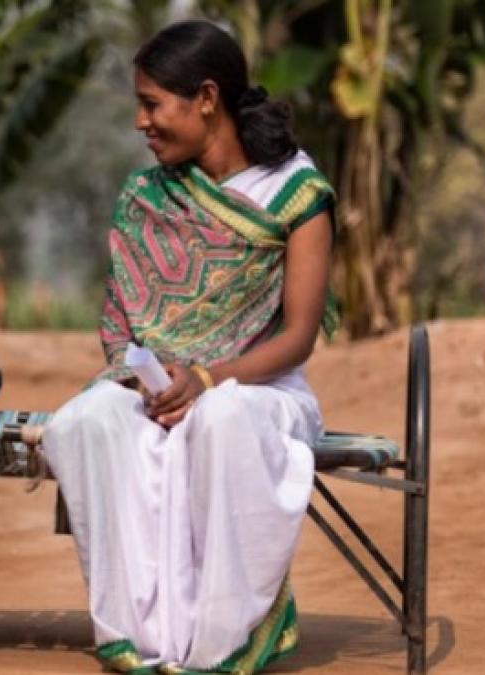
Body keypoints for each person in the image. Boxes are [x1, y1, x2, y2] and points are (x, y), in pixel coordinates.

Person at [42, 20, 337, 674]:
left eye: (153, 104)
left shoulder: (295, 192)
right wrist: (149, 382)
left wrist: (206, 378)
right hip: (160, 389)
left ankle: (223, 642)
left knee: (222, 417)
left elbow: (297, 337)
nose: (141, 122)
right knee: (86, 421)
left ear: (207, 98)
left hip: (262, 392)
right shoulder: (144, 195)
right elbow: (123, 328)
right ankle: (137, 637)